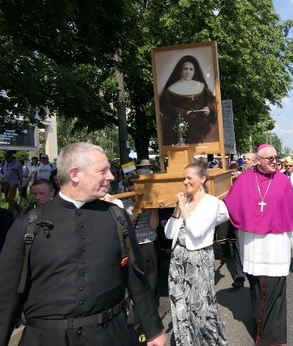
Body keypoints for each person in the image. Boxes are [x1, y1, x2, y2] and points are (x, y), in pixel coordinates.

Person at [0, 142, 166, 346]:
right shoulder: (27, 225)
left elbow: (136, 277)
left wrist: (154, 330)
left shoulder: (117, 217)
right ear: (75, 174)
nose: (111, 176)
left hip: (110, 334)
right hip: (47, 339)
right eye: (103, 170)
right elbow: (6, 295)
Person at [224, 144, 293, 346]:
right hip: (253, 249)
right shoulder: (243, 180)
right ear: (258, 160)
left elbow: (291, 213)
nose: (274, 161)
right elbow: (228, 207)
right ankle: (264, 331)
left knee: (273, 294)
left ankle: (270, 340)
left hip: (276, 248)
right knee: (258, 293)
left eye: (275, 158)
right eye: (269, 158)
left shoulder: (282, 181)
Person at [164, 161, 229, 345]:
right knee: (180, 304)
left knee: (200, 307)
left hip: (198, 259)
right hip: (178, 259)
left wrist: (184, 208)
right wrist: (178, 209)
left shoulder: (211, 203)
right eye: (183, 178)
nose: (185, 182)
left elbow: (197, 231)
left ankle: (208, 341)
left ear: (202, 179)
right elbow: (169, 234)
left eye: (189, 178)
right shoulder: (185, 202)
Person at [159, 55, 218, 146]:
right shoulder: (171, 90)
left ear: (194, 72)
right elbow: (165, 107)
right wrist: (183, 112)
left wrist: (208, 108)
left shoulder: (201, 86)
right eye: (185, 69)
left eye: (191, 69)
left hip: (203, 128)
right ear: (180, 71)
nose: (188, 72)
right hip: (182, 129)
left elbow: (212, 101)